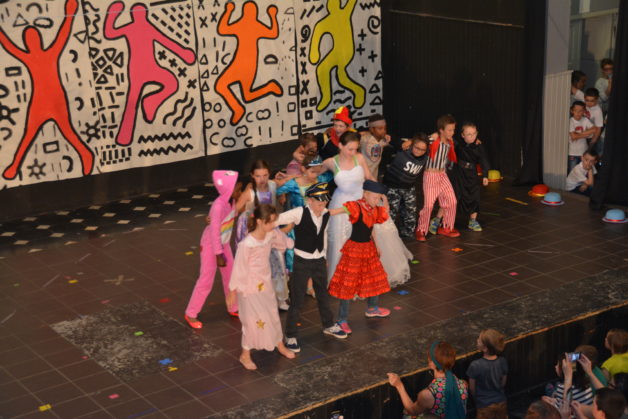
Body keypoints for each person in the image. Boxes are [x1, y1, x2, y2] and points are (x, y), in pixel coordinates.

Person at [275, 182, 348, 353]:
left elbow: (325, 232)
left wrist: (324, 256)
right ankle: (290, 335)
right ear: (310, 201)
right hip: (302, 261)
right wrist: (259, 223)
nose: (322, 207)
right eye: (319, 204)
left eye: (324, 204)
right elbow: (277, 219)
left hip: (319, 261)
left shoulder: (325, 213)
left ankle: (328, 325)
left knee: (323, 295)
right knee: (297, 300)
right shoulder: (299, 212)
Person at [227, 204, 296, 370]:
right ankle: (245, 354)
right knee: (251, 320)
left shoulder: (270, 235)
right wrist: (233, 291)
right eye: (269, 222)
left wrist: (287, 239)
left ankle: (279, 344)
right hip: (249, 288)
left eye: (273, 221)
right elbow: (239, 268)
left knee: (272, 313)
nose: (273, 225)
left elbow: (284, 242)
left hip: (265, 284)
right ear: (259, 221)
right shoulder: (247, 244)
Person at [328, 180, 392, 333]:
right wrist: (320, 212)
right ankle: (342, 319)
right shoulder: (356, 206)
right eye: (375, 197)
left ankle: (372, 308)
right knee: (348, 284)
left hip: (368, 247)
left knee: (373, 276)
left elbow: (371, 226)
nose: (376, 201)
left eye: (378, 198)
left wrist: (376, 244)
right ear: (366, 194)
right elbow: (337, 211)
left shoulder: (373, 208)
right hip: (355, 249)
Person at [184, 171, 242, 328]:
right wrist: (218, 254)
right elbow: (214, 233)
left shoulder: (232, 201)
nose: (239, 191)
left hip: (223, 243)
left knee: (230, 276)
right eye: (237, 188)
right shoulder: (218, 206)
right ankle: (191, 313)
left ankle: (233, 306)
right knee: (206, 279)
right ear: (228, 189)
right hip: (211, 246)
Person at [236, 160, 289, 310]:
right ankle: (260, 297)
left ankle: (280, 297)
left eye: (265, 175)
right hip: (255, 232)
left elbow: (287, 181)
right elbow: (235, 209)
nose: (262, 179)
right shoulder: (249, 193)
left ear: (269, 174)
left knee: (277, 261)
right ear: (252, 176)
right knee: (258, 266)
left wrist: (287, 180)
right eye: (258, 176)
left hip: (271, 229)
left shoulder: (272, 185)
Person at [322, 131, 374, 284]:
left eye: (355, 149)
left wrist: (380, 194)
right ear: (340, 146)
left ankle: (360, 276)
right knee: (342, 240)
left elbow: (369, 177)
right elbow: (314, 171)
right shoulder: (331, 162)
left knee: (363, 239)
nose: (353, 152)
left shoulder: (359, 158)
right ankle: (342, 278)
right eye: (350, 149)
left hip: (361, 200)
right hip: (342, 203)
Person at [277, 155, 332, 296]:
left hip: (315, 223)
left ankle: (310, 284)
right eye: (312, 172)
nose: (315, 175)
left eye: (318, 172)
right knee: (296, 254)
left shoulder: (321, 180)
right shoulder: (294, 183)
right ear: (303, 169)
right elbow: (276, 190)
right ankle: (297, 284)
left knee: (314, 252)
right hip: (299, 224)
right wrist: (283, 190)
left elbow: (336, 171)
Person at [387, 341, 468, 418]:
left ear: (432, 364)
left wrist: (399, 385)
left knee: (407, 415)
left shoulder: (427, 395)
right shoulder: (463, 384)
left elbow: (412, 410)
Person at [416, 115, 460, 241]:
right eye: (449, 130)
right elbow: (421, 142)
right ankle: (421, 229)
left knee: (452, 201)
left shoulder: (450, 142)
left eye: (453, 130)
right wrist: (431, 136)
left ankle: (446, 227)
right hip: (431, 175)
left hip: (442, 174)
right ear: (441, 130)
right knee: (429, 205)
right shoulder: (434, 139)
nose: (452, 132)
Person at [446, 122, 491, 232]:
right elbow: (448, 142)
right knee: (454, 196)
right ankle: (445, 219)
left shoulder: (479, 146)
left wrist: (485, 175)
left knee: (474, 197)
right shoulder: (458, 144)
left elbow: (484, 160)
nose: (472, 136)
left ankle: (473, 221)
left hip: (471, 174)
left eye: (474, 133)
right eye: (469, 134)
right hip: (458, 173)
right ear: (463, 135)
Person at [383, 134, 429, 238]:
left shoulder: (425, 154)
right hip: (393, 187)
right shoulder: (403, 147)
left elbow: (433, 136)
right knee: (391, 212)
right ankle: (387, 234)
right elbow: (390, 138)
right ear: (412, 145)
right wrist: (409, 141)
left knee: (410, 212)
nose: (419, 151)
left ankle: (407, 233)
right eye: (417, 148)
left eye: (422, 149)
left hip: (409, 187)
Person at [467, 329, 508, 419]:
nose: (477, 340)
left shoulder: (475, 365)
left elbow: (472, 388)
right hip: (501, 402)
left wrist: (477, 399)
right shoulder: (502, 361)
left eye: (479, 340)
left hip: (484, 405)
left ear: (485, 348)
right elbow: (503, 382)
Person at [360, 113, 391, 179]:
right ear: (371, 129)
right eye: (380, 128)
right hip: (367, 178)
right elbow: (376, 150)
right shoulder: (373, 144)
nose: (383, 131)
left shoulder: (365, 137)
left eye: (385, 128)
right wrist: (385, 141)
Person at [568, 101, 596, 174]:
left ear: (584, 111)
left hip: (584, 152)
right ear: (572, 111)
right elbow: (573, 136)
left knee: (584, 172)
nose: (578, 113)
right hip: (572, 153)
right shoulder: (570, 121)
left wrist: (579, 134)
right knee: (573, 173)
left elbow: (594, 129)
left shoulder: (585, 120)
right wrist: (586, 134)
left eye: (580, 111)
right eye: (575, 110)